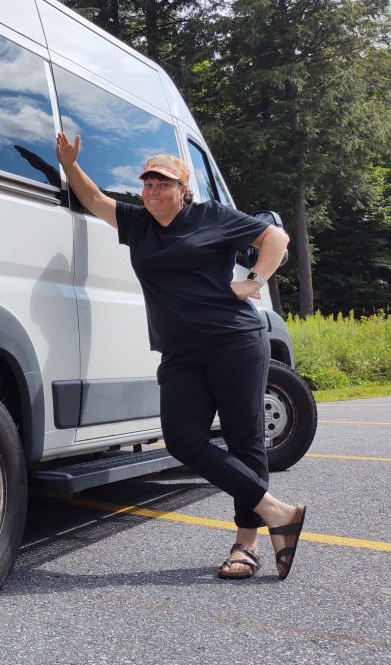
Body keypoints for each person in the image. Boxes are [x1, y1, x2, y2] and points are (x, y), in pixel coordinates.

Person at [55, 132, 306, 580]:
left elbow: (277, 238)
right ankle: (276, 510)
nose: (152, 192)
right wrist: (70, 164)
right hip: (180, 351)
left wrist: (253, 280)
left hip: (234, 340)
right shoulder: (138, 223)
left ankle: (244, 547)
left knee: (243, 438)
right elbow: (93, 199)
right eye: (148, 184)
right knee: (182, 439)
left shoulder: (212, 216)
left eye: (162, 184)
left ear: (182, 189)